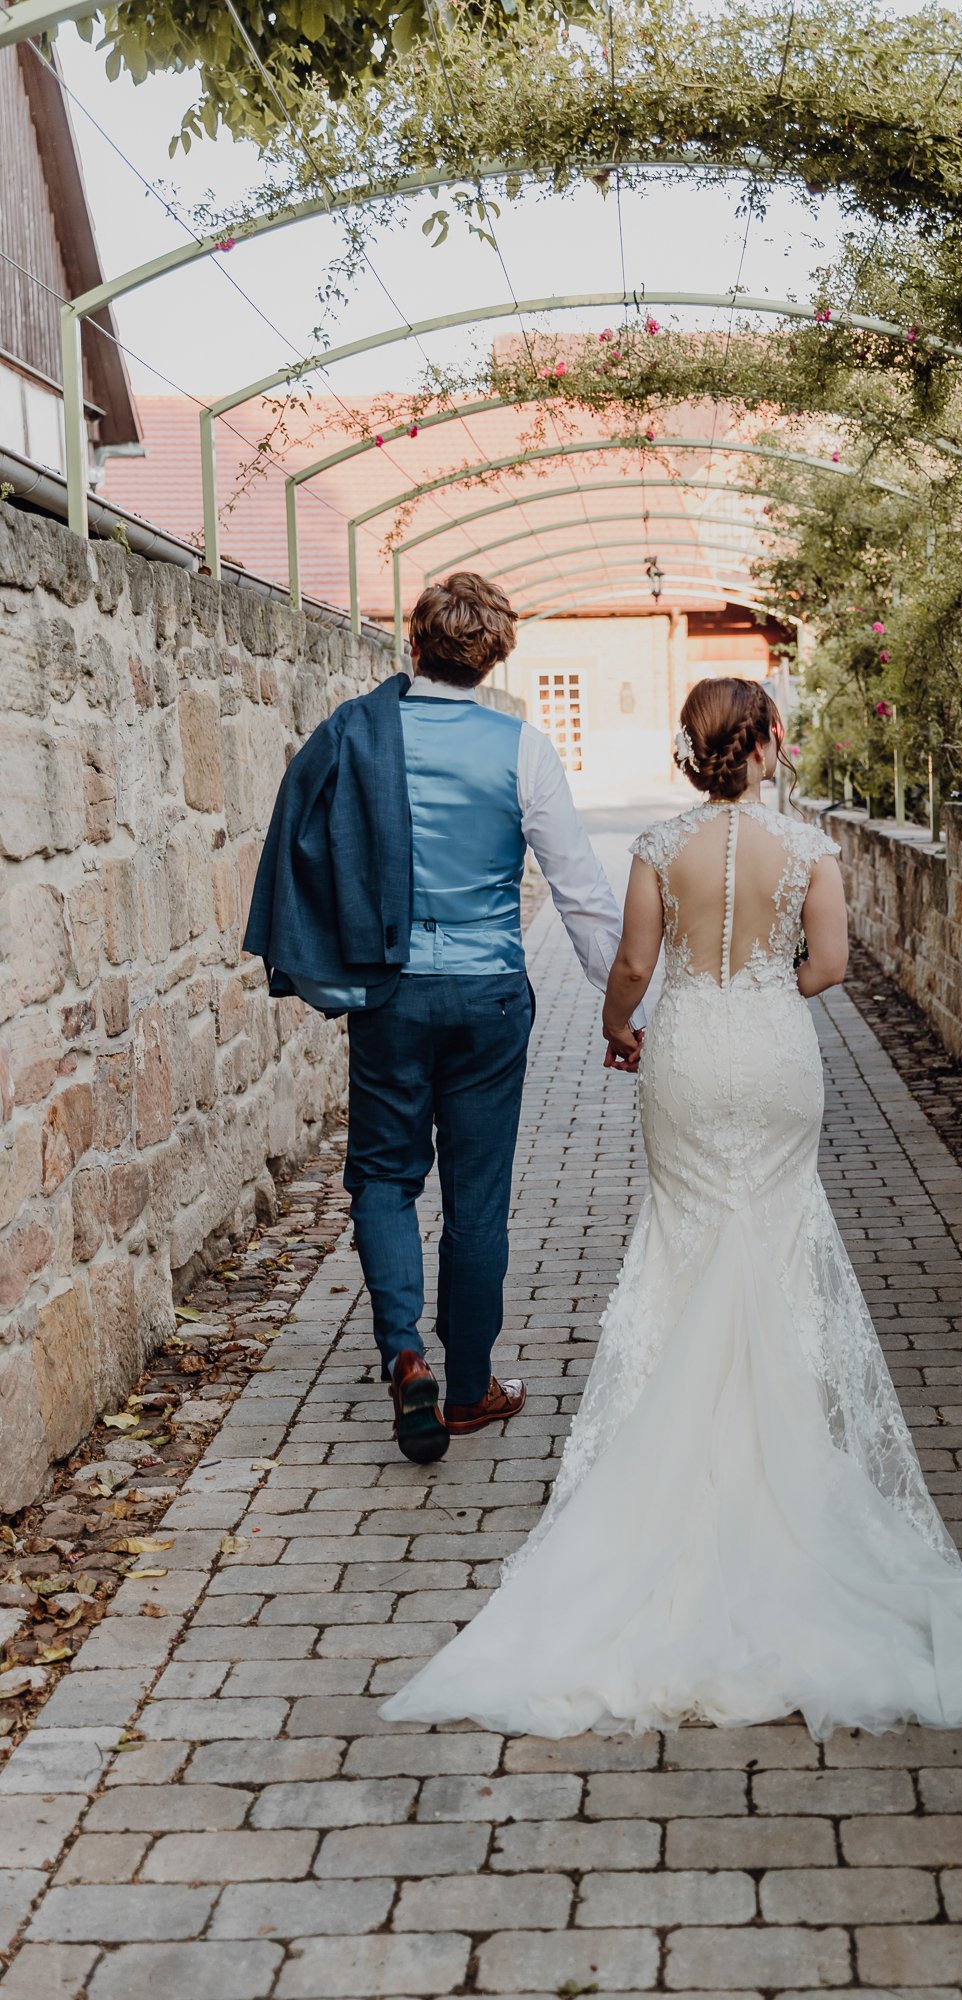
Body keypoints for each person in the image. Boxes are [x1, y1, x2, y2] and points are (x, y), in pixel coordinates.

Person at [382, 676, 962, 1739]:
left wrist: (621, 1026)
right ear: (768, 744)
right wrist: (768, 984)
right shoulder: (811, 851)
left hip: (684, 1052)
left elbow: (631, 962)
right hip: (772, 1056)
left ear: (691, 748)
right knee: (772, 1245)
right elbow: (830, 966)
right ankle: (779, 1480)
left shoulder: (658, 845)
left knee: (682, 1246)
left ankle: (682, 1489)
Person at [243, 574, 638, 1465]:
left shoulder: (358, 732)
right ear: (495, 654)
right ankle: (469, 1393)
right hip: (493, 995)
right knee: (478, 1197)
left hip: (390, 993)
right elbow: (579, 896)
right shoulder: (522, 749)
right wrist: (624, 1010)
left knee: (383, 1177)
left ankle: (404, 1354)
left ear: (412, 647)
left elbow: (305, 838)